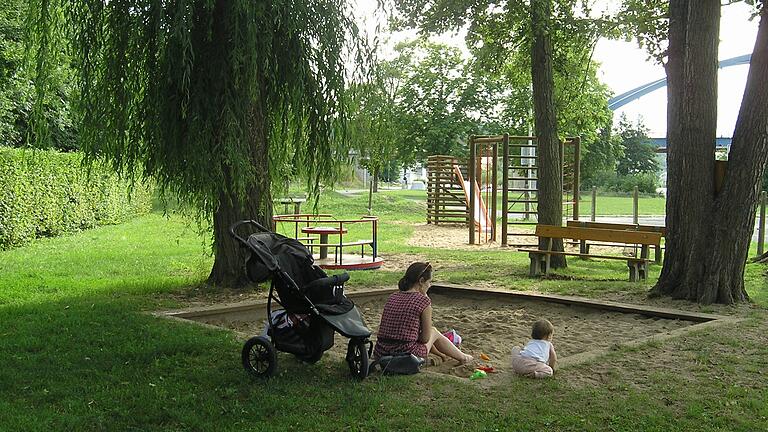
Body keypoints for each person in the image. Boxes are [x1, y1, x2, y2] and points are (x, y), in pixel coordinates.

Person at [373, 262, 473, 364]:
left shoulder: (393, 297)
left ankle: (444, 354)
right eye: (429, 282)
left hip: (381, 351)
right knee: (433, 331)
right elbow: (425, 339)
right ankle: (463, 357)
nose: (429, 286)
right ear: (421, 281)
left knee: (428, 334)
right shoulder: (423, 301)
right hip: (406, 353)